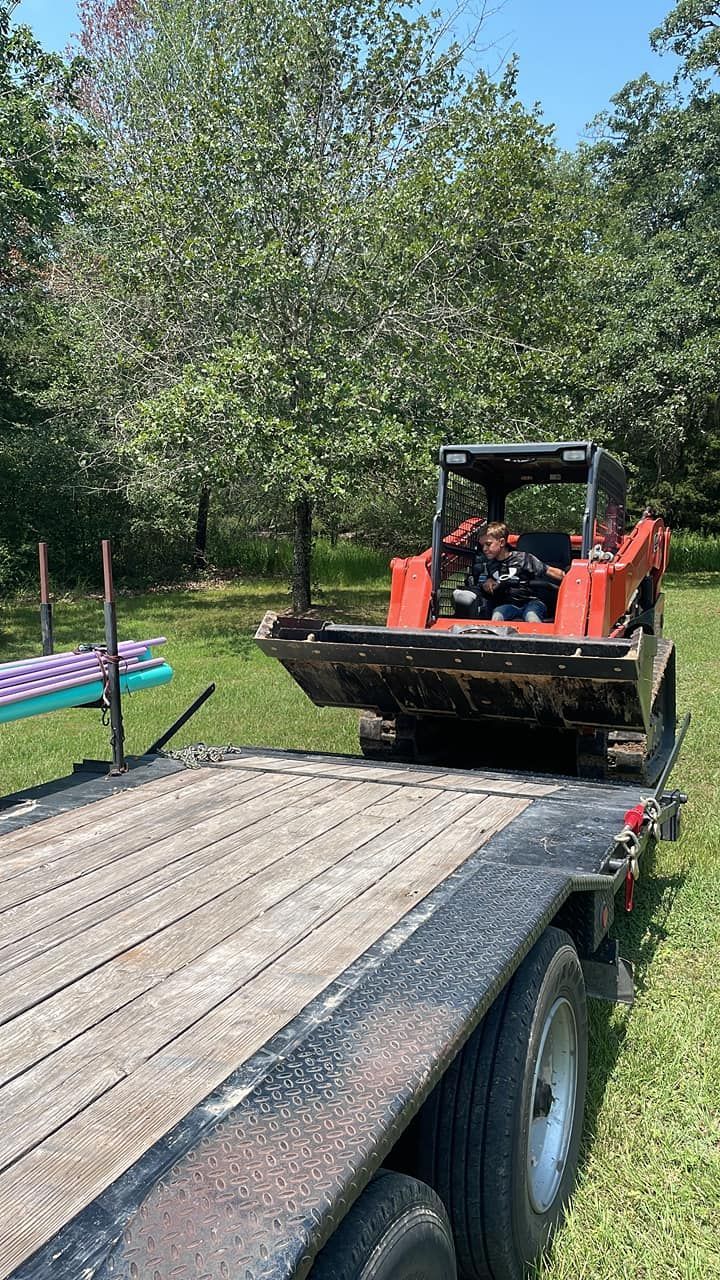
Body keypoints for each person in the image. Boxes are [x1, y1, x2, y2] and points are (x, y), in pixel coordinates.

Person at [454, 522, 565, 622]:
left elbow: (550, 571)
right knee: (498, 614)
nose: (484, 549)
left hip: (532, 602)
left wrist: (571, 579)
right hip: (509, 605)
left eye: (488, 544)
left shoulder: (524, 559)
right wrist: (487, 584)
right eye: (482, 545)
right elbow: (486, 583)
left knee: (531, 616)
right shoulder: (489, 565)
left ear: (501, 542)